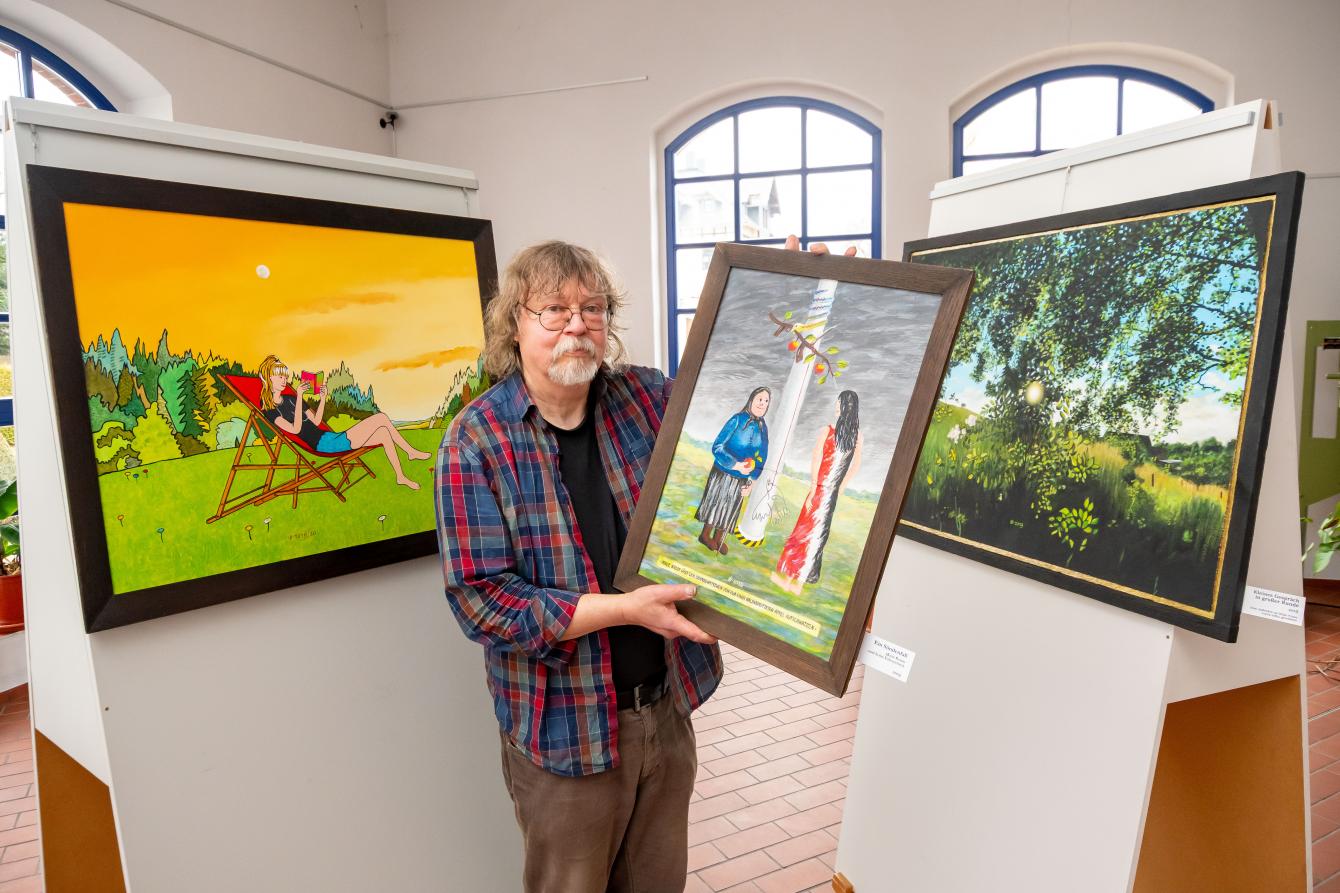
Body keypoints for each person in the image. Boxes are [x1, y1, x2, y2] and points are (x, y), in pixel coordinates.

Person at [436, 236, 851, 893]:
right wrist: (624, 609)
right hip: (565, 737)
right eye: (553, 308)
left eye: (592, 307)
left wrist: (787, 286)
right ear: (514, 324)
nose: (576, 323)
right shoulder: (475, 440)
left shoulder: (647, 399)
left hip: (664, 713)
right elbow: (482, 600)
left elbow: (725, 379)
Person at [257, 355, 430, 490]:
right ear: (267, 377)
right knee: (381, 418)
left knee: (384, 433)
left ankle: (400, 476)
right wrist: (301, 397)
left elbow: (316, 421)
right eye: (279, 376)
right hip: (323, 445)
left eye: (284, 376)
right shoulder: (271, 410)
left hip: (329, 437)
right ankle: (410, 452)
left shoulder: (291, 398)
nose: (284, 379)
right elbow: (295, 430)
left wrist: (323, 399)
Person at [771, 389, 863, 596]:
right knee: (814, 535)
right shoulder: (853, 436)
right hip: (827, 494)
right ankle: (794, 579)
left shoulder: (833, 432)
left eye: (839, 404)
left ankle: (794, 581)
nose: (836, 408)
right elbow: (854, 465)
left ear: (846, 407)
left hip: (822, 491)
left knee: (809, 534)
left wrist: (816, 488)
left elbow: (817, 459)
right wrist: (840, 487)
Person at [696, 386, 770, 555]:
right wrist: (735, 465)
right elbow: (717, 447)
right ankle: (705, 535)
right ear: (751, 400)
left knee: (731, 508)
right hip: (723, 472)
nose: (762, 404)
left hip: (742, 478)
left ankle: (719, 539)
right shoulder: (737, 419)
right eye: (760, 399)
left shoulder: (762, 428)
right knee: (717, 503)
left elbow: (762, 456)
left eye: (766, 402)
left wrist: (751, 480)